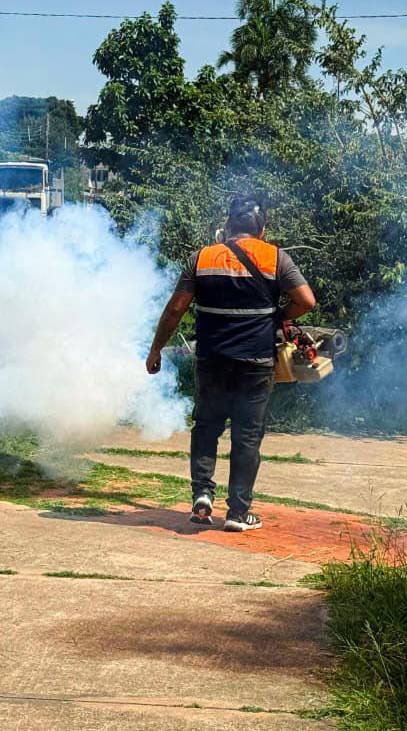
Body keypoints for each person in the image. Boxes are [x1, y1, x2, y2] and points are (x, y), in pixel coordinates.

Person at [145, 195, 317, 532]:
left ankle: (202, 496)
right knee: (247, 436)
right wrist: (279, 317)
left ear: (228, 227)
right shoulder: (276, 258)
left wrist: (156, 350)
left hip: (212, 360)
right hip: (256, 361)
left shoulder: (202, 258)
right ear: (262, 229)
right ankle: (238, 513)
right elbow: (307, 301)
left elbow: (176, 308)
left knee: (207, 426)